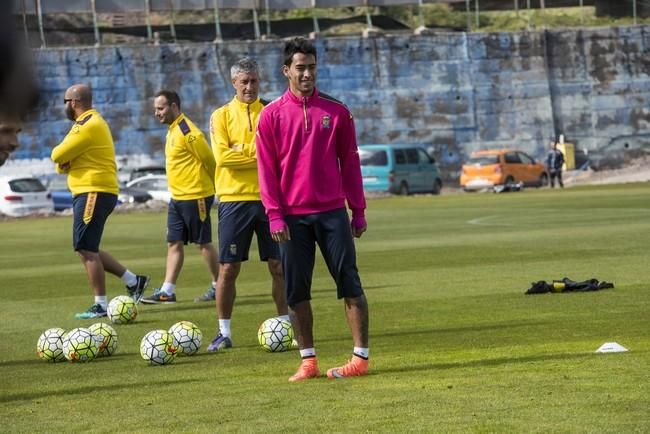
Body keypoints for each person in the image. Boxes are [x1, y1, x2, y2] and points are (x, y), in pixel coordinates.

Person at [256, 37, 370, 381]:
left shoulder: (337, 111)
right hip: (291, 217)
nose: (307, 74)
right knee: (296, 290)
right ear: (286, 71)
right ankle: (308, 361)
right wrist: (274, 213)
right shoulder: (270, 116)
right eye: (300, 68)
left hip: (333, 212)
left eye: (312, 68)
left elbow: (350, 164)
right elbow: (267, 169)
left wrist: (358, 209)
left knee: (349, 283)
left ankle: (360, 359)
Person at [206, 58, 291, 351]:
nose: (250, 87)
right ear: (234, 83)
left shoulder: (272, 111)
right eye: (244, 82)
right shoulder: (220, 116)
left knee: (279, 266)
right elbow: (223, 158)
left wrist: (240, 149)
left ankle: (285, 326)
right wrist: (258, 151)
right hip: (233, 200)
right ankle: (224, 332)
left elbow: (280, 153)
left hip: (270, 199)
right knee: (228, 269)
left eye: (254, 81)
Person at [51, 84, 150, 319]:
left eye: (66, 101)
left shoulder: (87, 125)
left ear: (73, 103)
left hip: (92, 191)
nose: (65, 106)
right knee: (88, 246)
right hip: (92, 191)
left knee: (85, 248)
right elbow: (61, 164)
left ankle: (101, 305)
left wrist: (65, 161)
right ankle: (134, 281)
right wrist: (65, 161)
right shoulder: (88, 123)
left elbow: (57, 155)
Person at [141, 90, 219, 304]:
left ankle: (220, 285)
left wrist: (216, 187)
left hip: (196, 196)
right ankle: (168, 291)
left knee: (203, 243)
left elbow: (210, 160)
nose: (157, 113)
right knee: (173, 242)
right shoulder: (172, 130)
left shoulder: (187, 131)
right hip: (177, 198)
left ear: (174, 106)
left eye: (161, 108)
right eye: (155, 109)